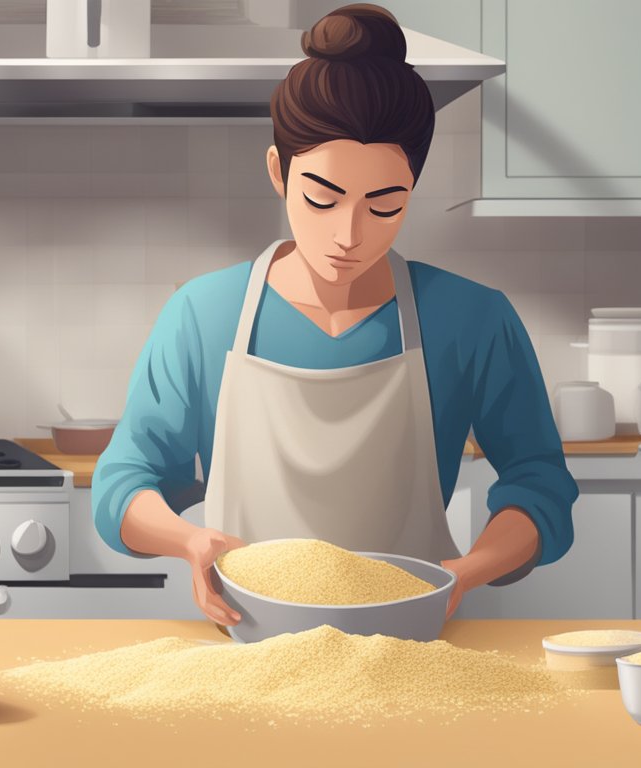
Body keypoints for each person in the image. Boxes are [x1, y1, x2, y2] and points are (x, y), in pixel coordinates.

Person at [91, 4, 578, 625]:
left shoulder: (471, 319)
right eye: (323, 198)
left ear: (413, 189)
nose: (349, 234)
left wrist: (466, 572)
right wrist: (189, 541)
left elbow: (541, 486)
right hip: (247, 649)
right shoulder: (204, 314)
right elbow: (123, 482)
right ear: (279, 173)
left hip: (412, 645)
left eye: (383, 204)